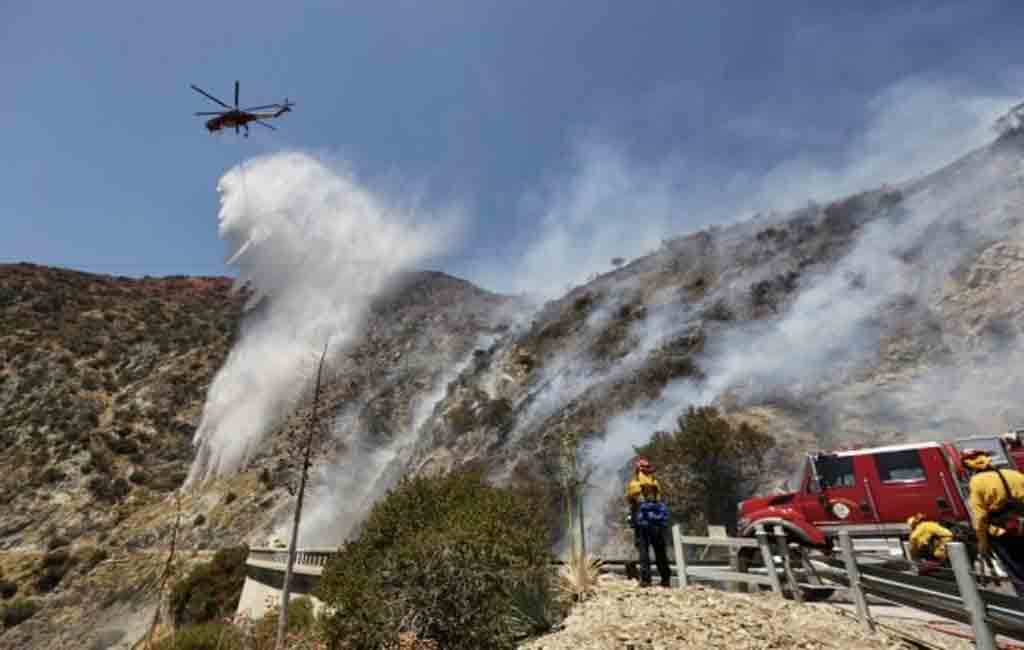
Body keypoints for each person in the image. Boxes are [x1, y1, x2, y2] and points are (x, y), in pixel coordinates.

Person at [962, 448, 1024, 595]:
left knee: (1017, 573)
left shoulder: (976, 482)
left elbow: (980, 517)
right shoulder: (1015, 475)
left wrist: (983, 543)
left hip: (1003, 534)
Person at [625, 457, 671, 587]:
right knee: (660, 551)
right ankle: (665, 579)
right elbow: (659, 499)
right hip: (656, 522)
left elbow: (632, 500)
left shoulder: (635, 483)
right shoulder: (655, 483)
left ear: (638, 469)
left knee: (644, 551)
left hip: (643, 523)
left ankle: (646, 580)